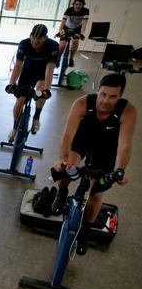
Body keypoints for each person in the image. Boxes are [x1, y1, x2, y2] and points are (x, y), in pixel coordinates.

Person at [51, 72, 136, 255]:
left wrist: (120, 170)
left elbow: (125, 144)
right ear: (98, 90)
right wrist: (63, 158)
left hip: (107, 146)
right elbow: (68, 134)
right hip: (84, 138)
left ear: (120, 96)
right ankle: (62, 192)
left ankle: (86, 231)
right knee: (68, 169)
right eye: (103, 94)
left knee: (96, 194)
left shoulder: (128, 111)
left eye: (113, 96)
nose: (106, 100)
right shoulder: (82, 103)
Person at [5, 24, 58, 140]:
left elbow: (50, 68)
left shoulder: (53, 45)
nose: (35, 40)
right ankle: (14, 126)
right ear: (30, 36)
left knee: (40, 91)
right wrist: (12, 83)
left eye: (39, 38)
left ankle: (36, 117)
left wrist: (47, 89)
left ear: (45, 38)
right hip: (27, 72)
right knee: (20, 100)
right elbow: (18, 64)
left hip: (42, 74)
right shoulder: (24, 43)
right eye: (33, 37)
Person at [57, 0, 89, 67]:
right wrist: (61, 33)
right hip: (66, 27)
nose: (77, 6)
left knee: (75, 41)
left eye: (80, 4)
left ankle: (71, 58)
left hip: (77, 28)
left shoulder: (86, 11)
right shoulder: (69, 10)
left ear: (82, 5)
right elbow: (62, 23)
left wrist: (81, 34)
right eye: (76, 4)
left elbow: (84, 23)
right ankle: (58, 58)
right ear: (73, 4)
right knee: (62, 46)